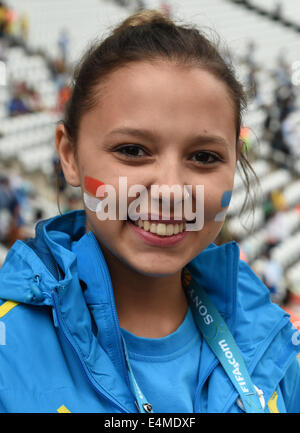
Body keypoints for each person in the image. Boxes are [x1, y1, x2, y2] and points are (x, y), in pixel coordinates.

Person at [0, 10, 299, 414]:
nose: (172, 190)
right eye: (132, 151)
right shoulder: (8, 346)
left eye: (204, 156)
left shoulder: (275, 349)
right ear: (69, 155)